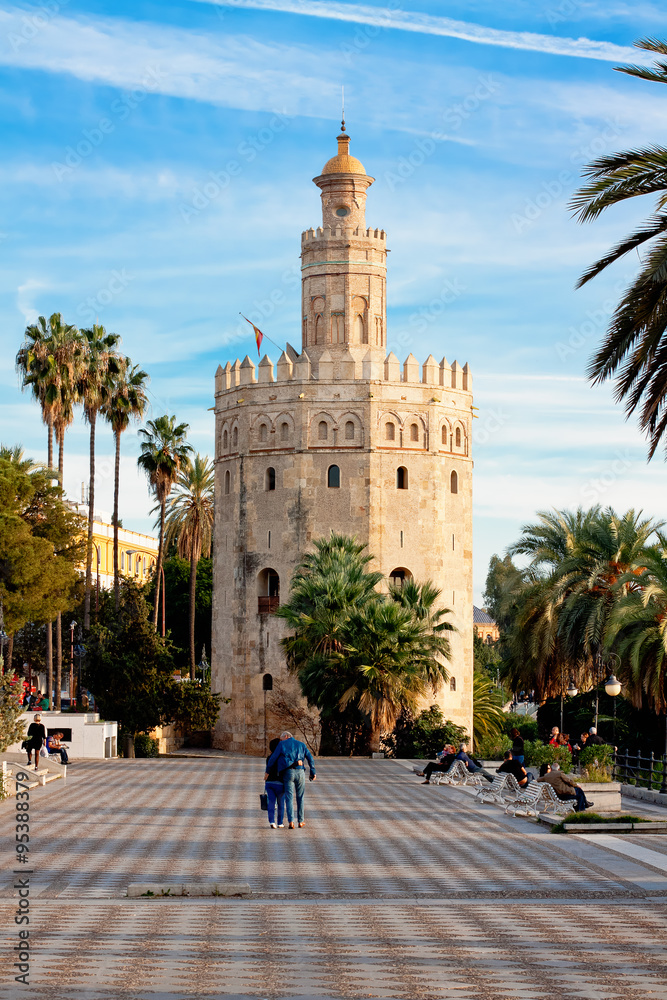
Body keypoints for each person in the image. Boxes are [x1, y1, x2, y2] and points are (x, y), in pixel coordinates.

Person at [265, 731, 316, 829]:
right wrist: (313, 772)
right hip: (300, 772)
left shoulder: (282, 744)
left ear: (286, 736)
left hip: (288, 773)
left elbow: (273, 758)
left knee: (289, 797)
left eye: (281, 738)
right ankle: (301, 821)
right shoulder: (301, 744)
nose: (280, 740)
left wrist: (267, 771)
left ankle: (291, 821)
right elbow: (310, 758)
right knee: (300, 797)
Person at [264, 737, 285, 829]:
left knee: (271, 802)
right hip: (280, 783)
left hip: (270, 783)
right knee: (281, 803)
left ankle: (272, 821)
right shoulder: (283, 758)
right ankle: (280, 822)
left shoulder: (269, 758)